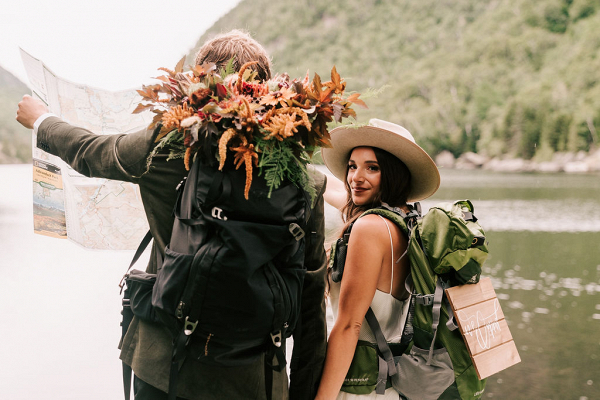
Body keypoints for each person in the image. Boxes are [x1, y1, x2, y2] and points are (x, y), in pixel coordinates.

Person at [16, 30, 328, 400]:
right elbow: (311, 304)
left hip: (164, 365)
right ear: (267, 90)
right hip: (256, 378)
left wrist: (42, 120)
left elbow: (94, 152)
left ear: (199, 81)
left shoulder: (168, 148)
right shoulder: (303, 179)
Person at [316, 119, 440, 400]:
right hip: (388, 386)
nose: (356, 177)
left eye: (372, 167)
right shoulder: (406, 220)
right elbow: (336, 193)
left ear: (393, 173)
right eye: (352, 166)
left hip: (355, 388)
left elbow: (349, 326)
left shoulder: (369, 228)